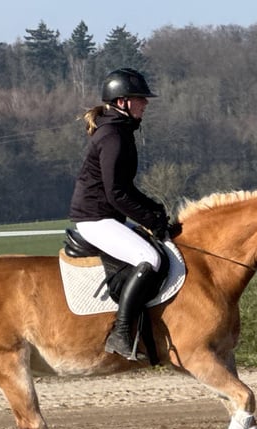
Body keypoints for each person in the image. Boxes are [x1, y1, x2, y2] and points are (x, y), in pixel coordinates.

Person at [69, 68, 170, 361]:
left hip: (106, 216)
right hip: (96, 219)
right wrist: (151, 220)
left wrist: (155, 210)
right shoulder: (112, 136)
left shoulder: (119, 131)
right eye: (140, 99)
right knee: (150, 259)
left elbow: (125, 189)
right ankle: (121, 333)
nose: (146, 104)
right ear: (122, 102)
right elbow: (117, 194)